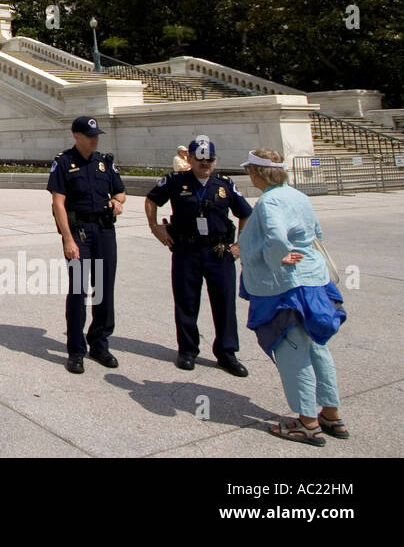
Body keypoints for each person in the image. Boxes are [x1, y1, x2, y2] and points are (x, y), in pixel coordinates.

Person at [238, 148, 347, 446]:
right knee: (317, 347)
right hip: (313, 281)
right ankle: (331, 413)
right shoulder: (298, 196)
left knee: (291, 350)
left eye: (250, 170)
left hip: (286, 287)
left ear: (258, 173)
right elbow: (317, 234)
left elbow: (275, 237)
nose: (249, 175)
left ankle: (307, 422)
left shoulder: (271, 200)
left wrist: (279, 259)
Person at [145, 135, 251, 376]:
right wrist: (154, 226)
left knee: (224, 303)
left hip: (219, 251)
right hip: (186, 250)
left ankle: (227, 352)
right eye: (200, 159)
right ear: (189, 159)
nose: (206, 164)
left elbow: (246, 213)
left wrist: (239, 245)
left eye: (210, 159)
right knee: (186, 302)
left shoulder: (224, 184)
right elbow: (152, 199)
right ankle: (188, 350)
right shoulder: (175, 181)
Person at [47, 116, 127, 373]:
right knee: (78, 290)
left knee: (104, 288)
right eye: (90, 135)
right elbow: (58, 203)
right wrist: (67, 239)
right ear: (76, 136)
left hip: (104, 230)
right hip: (79, 233)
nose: (95, 139)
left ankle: (100, 343)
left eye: (97, 135)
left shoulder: (104, 162)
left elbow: (120, 191)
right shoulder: (64, 162)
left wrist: (118, 201)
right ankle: (76, 350)